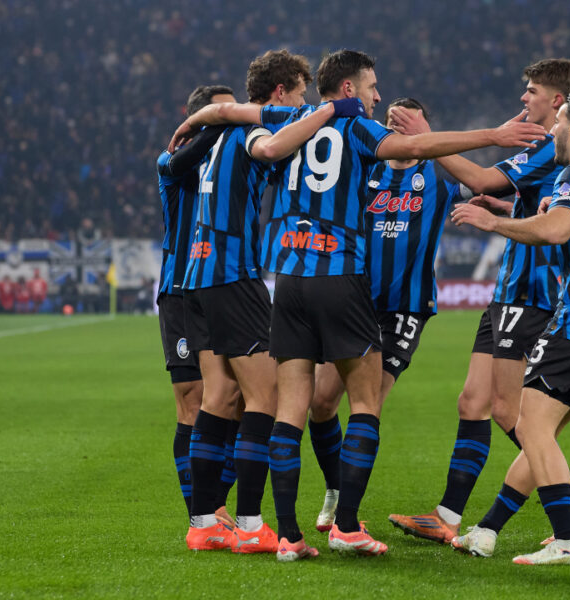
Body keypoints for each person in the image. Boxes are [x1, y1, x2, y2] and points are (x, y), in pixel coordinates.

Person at [175, 48, 547, 561]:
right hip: (342, 280)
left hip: (288, 280)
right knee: (363, 403)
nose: (377, 96)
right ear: (349, 89)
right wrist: (494, 135)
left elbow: (229, 113)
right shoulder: (359, 130)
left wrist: (195, 119)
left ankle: (286, 536)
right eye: (372, 87)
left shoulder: (293, 119)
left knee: (292, 408)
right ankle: (346, 524)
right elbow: (419, 143)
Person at [386, 58, 570, 546]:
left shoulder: (552, 143)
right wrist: (507, 207)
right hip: (509, 291)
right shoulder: (545, 148)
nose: (524, 97)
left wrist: (426, 136)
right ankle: (447, 515)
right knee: (473, 401)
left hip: (531, 293)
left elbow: (480, 179)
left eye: (531, 91)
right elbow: (535, 200)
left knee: (508, 410)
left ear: (557, 101)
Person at [170, 50, 367, 554]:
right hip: (234, 276)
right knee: (268, 400)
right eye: (300, 94)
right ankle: (254, 523)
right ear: (280, 94)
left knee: (219, 398)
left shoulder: (216, 137)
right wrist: (327, 112)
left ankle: (203, 521)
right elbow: (270, 149)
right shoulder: (248, 133)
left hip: (197, 275)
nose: (303, 103)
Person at [451, 93, 570, 566]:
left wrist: (494, 222)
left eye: (558, 122)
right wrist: (523, 214)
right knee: (542, 435)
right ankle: (488, 530)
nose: (553, 131)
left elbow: (557, 230)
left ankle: (568, 540)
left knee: (530, 424)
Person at [304, 98, 466, 532]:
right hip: (353, 300)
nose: (393, 130)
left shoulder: (439, 175)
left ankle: (347, 516)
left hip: (404, 310)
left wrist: (428, 135)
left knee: (367, 404)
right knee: (320, 405)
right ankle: (336, 489)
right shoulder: (366, 171)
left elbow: (488, 185)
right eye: (389, 124)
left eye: (402, 124)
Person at [155, 84, 235, 526]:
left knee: (243, 397)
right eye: (221, 111)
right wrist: (221, 121)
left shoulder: (235, 157)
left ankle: (215, 500)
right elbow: (186, 158)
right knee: (195, 401)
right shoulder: (172, 161)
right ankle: (200, 515)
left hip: (227, 288)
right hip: (181, 292)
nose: (231, 116)